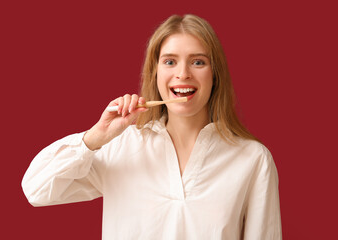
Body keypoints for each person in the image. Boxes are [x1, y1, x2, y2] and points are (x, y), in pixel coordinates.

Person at [22, 14, 282, 239]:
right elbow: (36, 190)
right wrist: (95, 137)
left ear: (215, 74)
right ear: (155, 72)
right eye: (170, 61)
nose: (183, 74)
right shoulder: (120, 146)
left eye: (198, 61)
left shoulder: (252, 159)